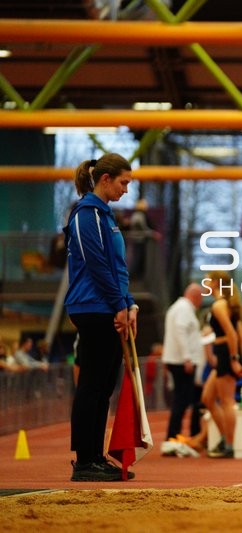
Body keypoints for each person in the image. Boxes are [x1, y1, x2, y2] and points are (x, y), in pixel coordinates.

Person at [64, 153, 138, 482]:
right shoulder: (86, 214)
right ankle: (84, 461)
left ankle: (95, 456)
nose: (126, 190)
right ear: (105, 179)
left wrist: (129, 303)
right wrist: (117, 304)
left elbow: (118, 267)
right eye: (123, 183)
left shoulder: (106, 217)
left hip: (108, 306)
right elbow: (96, 264)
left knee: (104, 386)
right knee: (92, 385)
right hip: (92, 308)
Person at [201, 271, 242, 458]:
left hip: (226, 355)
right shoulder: (227, 305)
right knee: (207, 398)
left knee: (227, 401)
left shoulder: (219, 305)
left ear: (217, 283)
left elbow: (233, 334)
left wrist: (235, 360)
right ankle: (223, 438)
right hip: (224, 355)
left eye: (208, 279)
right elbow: (240, 333)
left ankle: (229, 443)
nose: (205, 283)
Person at [162, 283, 205, 445]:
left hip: (178, 359)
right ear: (195, 296)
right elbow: (180, 331)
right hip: (182, 361)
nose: (201, 302)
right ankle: (173, 435)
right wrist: (187, 357)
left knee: (183, 398)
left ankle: (175, 434)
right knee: (182, 399)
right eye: (200, 298)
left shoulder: (179, 308)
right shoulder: (184, 309)